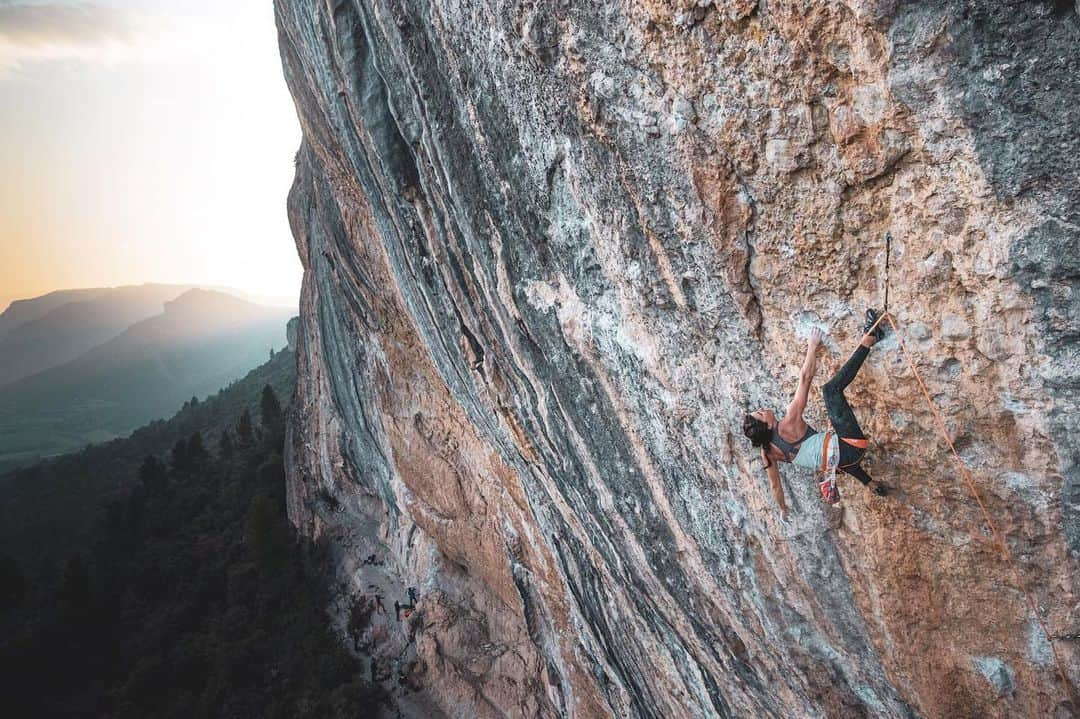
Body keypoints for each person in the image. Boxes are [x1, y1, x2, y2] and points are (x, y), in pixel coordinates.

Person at [742, 310, 888, 517]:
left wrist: (783, 509)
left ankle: (871, 484)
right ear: (766, 425)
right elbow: (805, 378)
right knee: (830, 391)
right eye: (760, 413)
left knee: (832, 457)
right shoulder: (788, 422)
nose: (763, 409)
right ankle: (870, 338)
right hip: (852, 446)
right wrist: (812, 345)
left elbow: (775, 486)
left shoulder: (768, 453)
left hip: (846, 462)